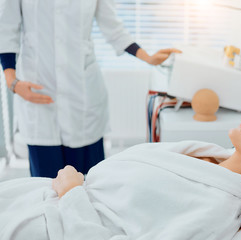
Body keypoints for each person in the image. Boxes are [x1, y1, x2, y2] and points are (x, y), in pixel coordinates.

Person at [0, 98, 241, 240]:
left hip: (49, 227)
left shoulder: (219, 209)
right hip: (36, 195)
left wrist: (74, 193)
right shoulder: (208, 155)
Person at [0, 0, 181, 178]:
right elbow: (7, 27)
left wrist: (147, 57)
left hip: (83, 98)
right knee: (46, 188)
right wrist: (12, 80)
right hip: (38, 95)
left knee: (89, 186)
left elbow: (113, 27)